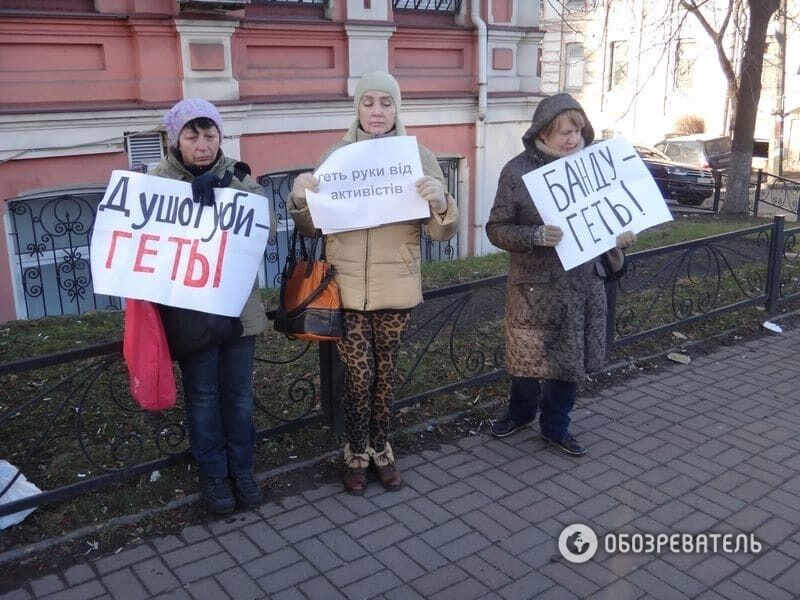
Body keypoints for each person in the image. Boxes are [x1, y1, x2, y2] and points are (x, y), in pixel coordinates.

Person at [288, 71, 459, 494]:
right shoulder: (338, 154)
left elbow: (441, 233)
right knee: (359, 375)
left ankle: (382, 448)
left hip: (395, 285)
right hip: (344, 288)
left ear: (397, 108)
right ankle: (355, 451)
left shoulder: (417, 156)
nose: (377, 111)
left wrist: (441, 201)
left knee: (386, 375)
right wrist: (298, 198)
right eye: (369, 102)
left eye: (386, 102)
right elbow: (312, 228)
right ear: (357, 108)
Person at [485, 92, 635, 456]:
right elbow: (496, 228)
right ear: (543, 132)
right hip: (534, 289)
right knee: (527, 359)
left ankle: (556, 426)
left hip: (582, 286)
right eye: (563, 132)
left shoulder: (595, 167)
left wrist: (623, 236)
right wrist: (534, 236)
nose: (572, 139)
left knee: (568, 362)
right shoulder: (518, 171)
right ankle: (520, 414)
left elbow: (614, 215)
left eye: (578, 131)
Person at [150, 98, 270, 514]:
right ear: (175, 138)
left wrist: (222, 194)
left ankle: (243, 469)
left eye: (210, 134)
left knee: (237, 396)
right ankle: (214, 476)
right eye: (192, 135)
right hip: (191, 315)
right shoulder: (156, 182)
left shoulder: (239, 176)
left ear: (220, 136)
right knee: (203, 396)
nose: (202, 144)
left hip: (238, 312)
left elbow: (259, 231)